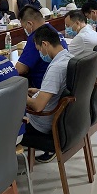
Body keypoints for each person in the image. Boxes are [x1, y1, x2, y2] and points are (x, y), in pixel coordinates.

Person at [22, 25, 73, 162]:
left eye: (39, 49)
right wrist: (40, 91)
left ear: (45, 44)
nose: (40, 53)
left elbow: (38, 107)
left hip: (42, 123)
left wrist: (21, 97)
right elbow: (60, 90)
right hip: (63, 118)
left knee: (6, 118)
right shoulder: (69, 57)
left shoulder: (56, 68)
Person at [15, 5, 67, 89]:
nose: (25, 30)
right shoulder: (52, 30)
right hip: (60, 83)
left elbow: (20, 69)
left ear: (30, 24)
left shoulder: (36, 37)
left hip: (43, 85)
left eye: (24, 27)